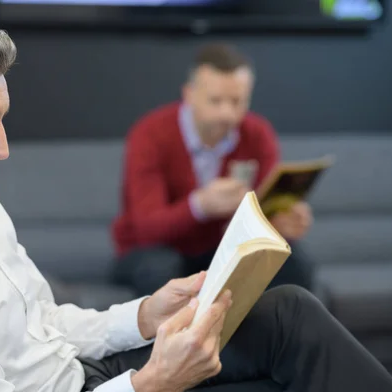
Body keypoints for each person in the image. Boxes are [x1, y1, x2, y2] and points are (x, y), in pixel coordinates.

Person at [0, 18, 392, 392]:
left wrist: (144, 316)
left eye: (1, 118)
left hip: (84, 373)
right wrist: (151, 384)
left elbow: (45, 324)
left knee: (288, 312)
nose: (2, 147)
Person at [112, 43, 316, 296]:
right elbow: (147, 229)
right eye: (216, 101)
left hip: (223, 251)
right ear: (189, 94)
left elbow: (261, 212)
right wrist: (200, 206)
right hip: (151, 251)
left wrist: (282, 220)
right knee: (161, 268)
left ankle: (269, 336)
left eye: (237, 101)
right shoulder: (150, 134)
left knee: (294, 263)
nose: (227, 114)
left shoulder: (257, 134)